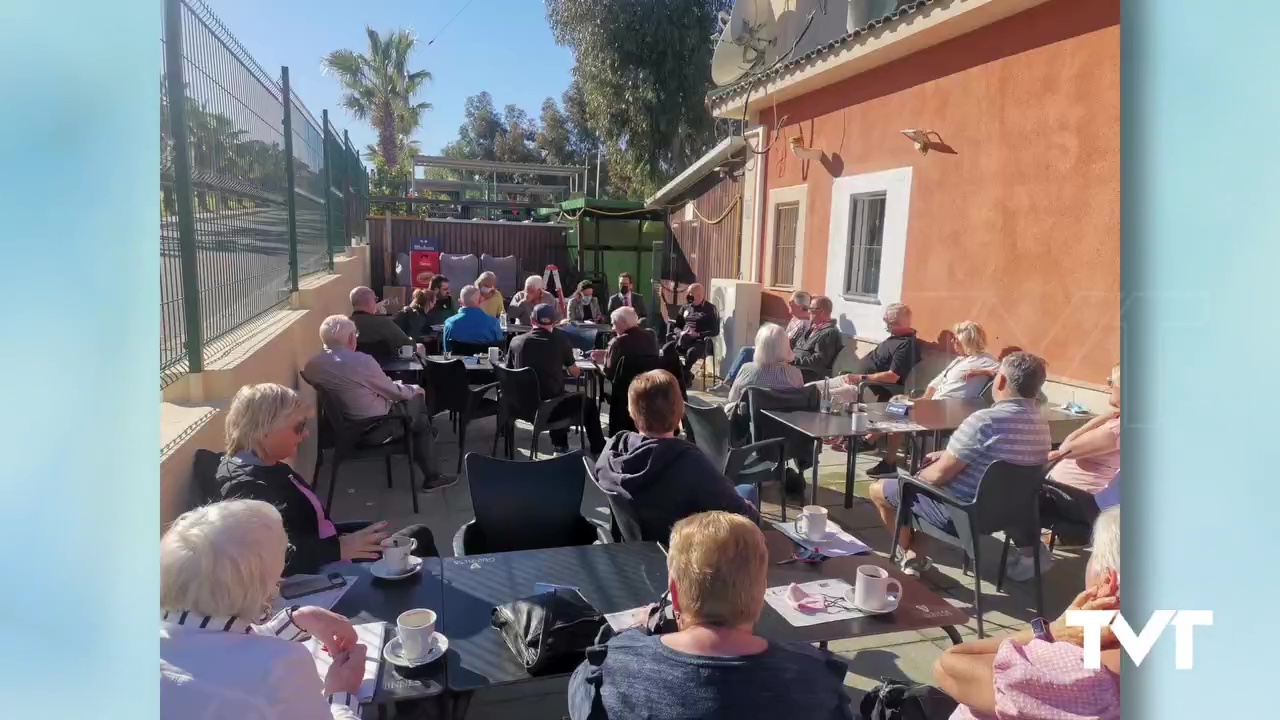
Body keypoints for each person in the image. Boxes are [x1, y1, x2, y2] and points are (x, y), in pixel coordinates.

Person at [568, 511, 853, 720]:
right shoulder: (815, 678)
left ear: (675, 593)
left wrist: (631, 635)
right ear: (761, 591)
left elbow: (580, 698)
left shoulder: (614, 667)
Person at [161, 499, 368, 719]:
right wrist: (341, 694)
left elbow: (217, 649)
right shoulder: (279, 667)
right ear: (253, 582)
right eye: (286, 552)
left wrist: (297, 620)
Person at [216, 380, 443, 577]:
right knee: (419, 537)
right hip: (324, 574)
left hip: (328, 554)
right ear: (264, 430)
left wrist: (350, 537)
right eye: (298, 427)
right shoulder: (245, 488)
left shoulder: (263, 465)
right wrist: (339, 548)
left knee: (411, 538)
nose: (305, 434)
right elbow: (267, 560)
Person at [868, 352, 1051, 576]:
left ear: (1001, 381)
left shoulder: (984, 421)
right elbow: (1003, 457)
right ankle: (916, 555)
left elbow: (939, 475)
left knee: (882, 490)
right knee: (925, 490)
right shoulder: (1041, 425)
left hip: (963, 513)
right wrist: (947, 453)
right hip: (1010, 512)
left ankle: (908, 553)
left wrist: (916, 477)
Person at [935, 509, 1121, 720]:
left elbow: (949, 664)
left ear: (1108, 580)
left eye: (1093, 554)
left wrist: (1051, 631)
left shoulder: (1079, 670)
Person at [594, 370, 760, 542]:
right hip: (686, 554)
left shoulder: (614, 449)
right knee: (747, 491)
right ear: (680, 410)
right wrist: (750, 510)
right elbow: (744, 515)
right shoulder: (688, 462)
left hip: (636, 548)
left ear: (632, 412)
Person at [303, 316, 456, 492]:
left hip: (346, 428)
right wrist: (415, 389)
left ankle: (424, 439)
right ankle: (432, 474)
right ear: (352, 338)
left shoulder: (312, 366)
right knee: (418, 402)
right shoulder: (361, 361)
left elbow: (354, 387)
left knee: (417, 418)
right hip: (375, 429)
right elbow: (394, 392)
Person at [1006, 363, 1122, 581]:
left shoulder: (1116, 428)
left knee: (1011, 495)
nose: (1107, 386)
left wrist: (1104, 417)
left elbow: (1067, 447)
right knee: (1019, 490)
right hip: (1081, 497)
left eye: (1111, 382)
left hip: (1083, 503)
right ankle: (1036, 550)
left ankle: (1032, 557)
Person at [823, 302, 921, 478]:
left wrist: (861, 378)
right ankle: (860, 439)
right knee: (817, 387)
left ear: (899, 323)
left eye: (888, 322)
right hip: (858, 382)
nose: (886, 325)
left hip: (867, 387)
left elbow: (893, 376)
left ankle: (865, 441)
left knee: (820, 394)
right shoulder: (894, 338)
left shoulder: (906, 345)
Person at [506, 303, 607, 455]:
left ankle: (560, 445)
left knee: (557, 392)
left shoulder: (516, 342)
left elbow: (509, 371)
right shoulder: (560, 340)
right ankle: (594, 446)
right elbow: (574, 372)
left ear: (532, 321)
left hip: (520, 406)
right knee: (585, 402)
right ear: (554, 322)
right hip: (550, 409)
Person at [714, 291, 810, 391]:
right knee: (747, 350)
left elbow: (787, 342)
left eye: (791, 302)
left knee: (746, 352)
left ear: (799, 306)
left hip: (781, 353)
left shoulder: (803, 323)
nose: (789, 304)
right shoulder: (796, 319)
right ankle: (728, 382)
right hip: (777, 349)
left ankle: (728, 383)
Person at [726, 323, 804, 406]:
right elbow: (800, 402)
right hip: (784, 418)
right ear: (786, 346)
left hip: (752, 417)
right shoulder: (796, 374)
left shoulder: (747, 369)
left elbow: (732, 398)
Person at [662, 282, 719, 384]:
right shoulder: (685, 308)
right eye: (687, 294)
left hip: (700, 341)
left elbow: (715, 331)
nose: (687, 296)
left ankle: (683, 373)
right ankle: (685, 375)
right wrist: (681, 333)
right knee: (667, 348)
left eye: (690, 294)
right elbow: (677, 326)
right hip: (683, 338)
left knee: (691, 352)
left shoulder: (710, 309)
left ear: (699, 295)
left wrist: (698, 334)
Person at [590, 305, 659, 380]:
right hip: (649, 384)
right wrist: (607, 353)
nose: (613, 329)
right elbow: (637, 354)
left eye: (614, 324)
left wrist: (603, 360)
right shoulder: (651, 335)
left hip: (624, 388)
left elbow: (609, 372)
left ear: (623, 323)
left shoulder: (618, 342)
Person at [791, 295, 843, 381]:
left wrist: (793, 360)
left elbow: (818, 361)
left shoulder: (829, 333)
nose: (808, 312)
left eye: (811, 309)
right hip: (795, 369)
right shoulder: (813, 328)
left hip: (808, 374)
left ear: (821, 312)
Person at [348, 286, 411, 354]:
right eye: (375, 299)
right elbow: (406, 343)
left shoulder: (342, 325)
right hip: (382, 363)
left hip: (348, 363)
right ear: (369, 302)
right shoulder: (383, 323)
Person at [441, 284, 503, 352]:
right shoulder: (494, 323)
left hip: (458, 362)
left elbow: (447, 351)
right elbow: (499, 349)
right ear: (480, 301)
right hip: (486, 362)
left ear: (460, 302)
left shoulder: (450, 323)